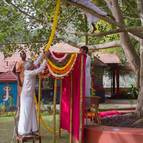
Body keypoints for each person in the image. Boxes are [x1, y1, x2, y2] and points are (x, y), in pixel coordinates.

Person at [18, 51, 49, 136]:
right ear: (30, 67)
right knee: (26, 112)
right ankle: (24, 131)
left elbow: (36, 62)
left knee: (31, 112)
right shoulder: (29, 72)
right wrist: (46, 59)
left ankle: (33, 129)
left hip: (30, 95)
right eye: (32, 65)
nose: (33, 65)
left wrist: (42, 55)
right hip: (26, 96)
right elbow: (39, 69)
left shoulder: (29, 69)